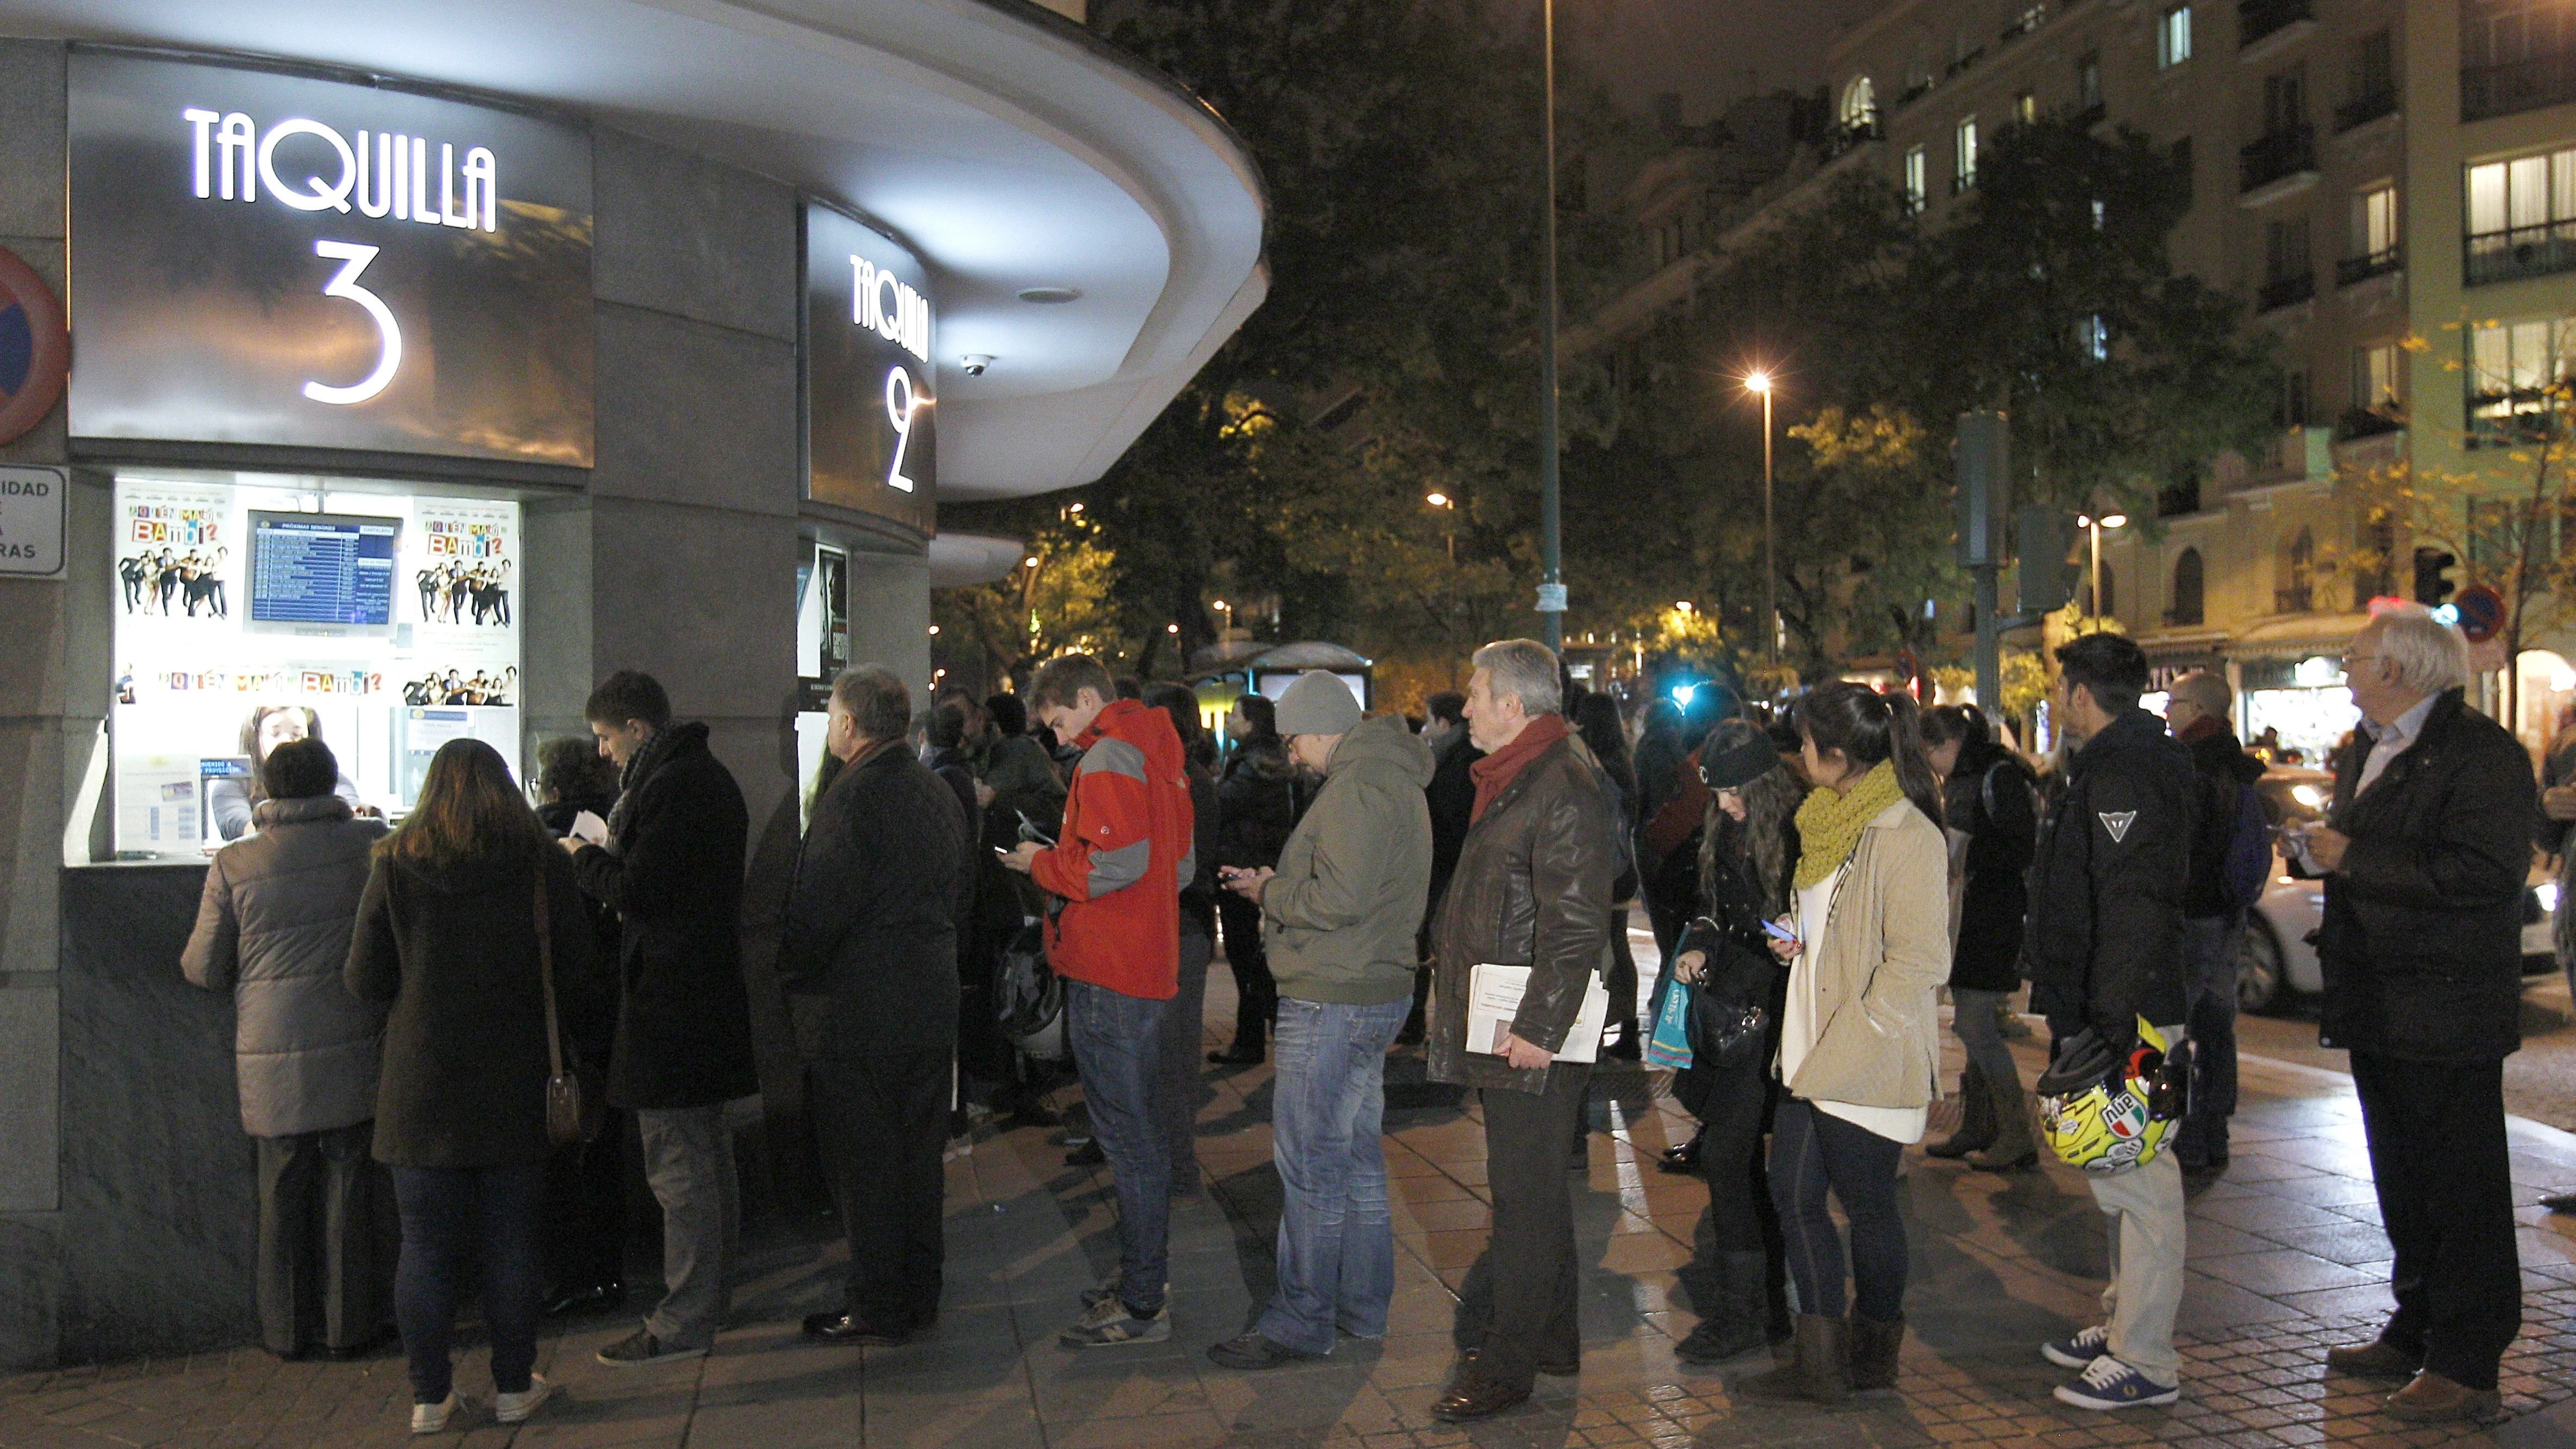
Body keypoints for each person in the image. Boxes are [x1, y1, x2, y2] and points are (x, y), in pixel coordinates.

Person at [2298, 604, 2531, 1425]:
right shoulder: (2372, 745)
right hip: (2380, 999)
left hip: (2447, 1006)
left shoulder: (2481, 756)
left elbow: (2485, 874)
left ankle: (2468, 1359)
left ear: (2397, 671)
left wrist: (2355, 857)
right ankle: (2417, 1321)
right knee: (2403, 1174)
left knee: (2460, 1184)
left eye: (2356, 657)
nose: (2347, 667)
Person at [345, 738, 599, 1434]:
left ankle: (431, 1398)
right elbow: (578, 970)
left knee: (424, 1246)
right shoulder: (542, 862)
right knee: (512, 1242)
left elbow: (363, 977)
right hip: (517, 1081)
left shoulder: (395, 863)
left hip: (420, 1088)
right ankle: (516, 1385)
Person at [1206, 672, 1434, 1370]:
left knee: (1311, 1165)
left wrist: (1272, 888)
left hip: (1335, 994)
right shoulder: (1386, 777)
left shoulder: (1360, 785)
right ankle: (1362, 1306)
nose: (1295, 754)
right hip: (1369, 985)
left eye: (1298, 738)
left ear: (1327, 727)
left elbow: (1338, 898)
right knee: (1356, 1159)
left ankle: (1302, 1318)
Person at [1733, 683, 1947, 1407]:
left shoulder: (1905, 832)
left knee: (1868, 1206)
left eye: (1803, 743)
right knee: (1793, 1196)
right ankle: (1821, 1364)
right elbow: (1834, 924)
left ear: (1836, 752)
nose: (1796, 755)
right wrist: (1801, 939)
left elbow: (1919, 960)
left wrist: (1861, 1032)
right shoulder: (1824, 818)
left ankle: (1874, 1351)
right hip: (1807, 1047)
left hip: (1861, 1053)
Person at [1423, 640, 1617, 1422]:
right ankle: (1553, 1338)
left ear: (1514, 702)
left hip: (1528, 1024)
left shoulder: (1557, 781)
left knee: (1522, 1199)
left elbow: (1575, 924)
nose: (1464, 705)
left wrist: (1537, 1026)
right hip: (1511, 1013)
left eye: (1475, 692)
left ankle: (1508, 1368)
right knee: (1535, 1192)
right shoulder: (1524, 775)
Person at [562, 671, 761, 1368]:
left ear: (637, 729)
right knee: (706, 1156)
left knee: (680, 1167)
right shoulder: (696, 778)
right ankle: (707, 1297)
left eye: (607, 737)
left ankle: (684, 1316)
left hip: (672, 1007)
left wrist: (584, 858)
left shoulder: (676, 787)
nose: (605, 753)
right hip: (695, 1000)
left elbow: (643, 892)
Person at [999, 653, 1195, 1347]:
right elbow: (1178, 865)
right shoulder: (1159, 748)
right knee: (1140, 1135)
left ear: (1086, 698)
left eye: (1056, 720)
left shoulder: (1110, 754)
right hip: (1145, 963)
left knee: (1128, 1141)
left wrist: (1041, 864)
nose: (1056, 738)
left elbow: (1116, 863)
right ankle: (1144, 1279)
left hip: (1109, 969)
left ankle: (1142, 1300)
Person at [2024, 633, 2196, 1411]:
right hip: (2114, 1001)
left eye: (2064, 691)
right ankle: (2125, 1318)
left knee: (2145, 1178)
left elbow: (2131, 901)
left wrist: (2116, 1016)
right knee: (2117, 1172)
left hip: (2133, 1010)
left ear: (2082, 694)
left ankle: (2149, 1356)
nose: (2061, 703)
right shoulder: (2113, 764)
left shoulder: (2125, 770)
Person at [183, 737, 390, 1361]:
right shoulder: (372, 845)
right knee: (351, 1184)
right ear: (333, 783)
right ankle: (348, 1325)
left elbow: (204, 967)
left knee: (280, 1189)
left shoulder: (237, 863)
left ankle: (284, 1331)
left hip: (272, 1051)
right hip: (357, 1038)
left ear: (266, 789)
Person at [782, 666, 967, 1347]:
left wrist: (794, 973)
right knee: (918, 1155)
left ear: (850, 724)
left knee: (865, 1164)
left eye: (832, 714)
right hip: (927, 996)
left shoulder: (851, 797)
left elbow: (818, 911)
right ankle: (920, 1289)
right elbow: (960, 893)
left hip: (861, 1009)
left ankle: (878, 1300)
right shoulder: (934, 789)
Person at [1663, 720, 1800, 1365]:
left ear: (1766, 786)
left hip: (1776, 1010)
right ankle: (1763, 1303)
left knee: (1730, 1156)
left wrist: (1788, 940)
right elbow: (1711, 906)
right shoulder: (1725, 831)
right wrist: (1696, 941)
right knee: (1733, 1156)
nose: (1724, 805)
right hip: (1733, 1008)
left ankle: (1751, 1310)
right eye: (1717, 794)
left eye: (1735, 793)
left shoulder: (1798, 830)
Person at [530, 737, 629, 1319]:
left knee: (559, 1150)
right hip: (609, 1007)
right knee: (603, 1145)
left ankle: (571, 1273)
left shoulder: (539, 839)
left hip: (557, 1017)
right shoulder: (615, 823)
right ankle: (606, 1270)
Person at [1919, 704, 2040, 1171]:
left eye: (1930, 753)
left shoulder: (1994, 775)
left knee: (1975, 1025)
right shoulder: (1976, 774)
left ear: (1948, 744)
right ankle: (1979, 1125)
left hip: (1991, 916)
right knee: (1973, 1026)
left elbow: (2018, 847)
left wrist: (1969, 857)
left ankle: (2015, 1135)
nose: (1930, 766)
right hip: (1976, 915)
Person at [2165, 671, 2266, 1175]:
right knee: (2218, 1025)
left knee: (2172, 1026)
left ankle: (2180, 1127)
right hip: (2228, 911)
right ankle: (2216, 1126)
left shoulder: (2189, 766)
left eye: (2173, 701)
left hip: (2191, 913)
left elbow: (2180, 849)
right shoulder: (2239, 764)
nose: (2166, 710)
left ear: (2197, 710)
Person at [1142, 682, 1221, 1191]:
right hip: (1181, 923)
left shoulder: (1185, 781)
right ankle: (1174, 1159)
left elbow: (1187, 865)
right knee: (1171, 1047)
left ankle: (1178, 1165)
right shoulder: (1187, 777)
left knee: (1171, 1050)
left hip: (1181, 925)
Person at [1212, 692, 1299, 1064]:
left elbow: (1222, 805)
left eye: (1234, 715)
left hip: (1242, 871)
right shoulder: (1276, 762)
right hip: (1269, 865)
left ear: (1250, 724)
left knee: (1245, 956)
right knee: (1257, 954)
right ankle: (1256, 1033)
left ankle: (1253, 1036)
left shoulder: (1249, 766)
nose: (1230, 721)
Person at [1400, 689, 1482, 1045]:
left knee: (1438, 952)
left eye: (1429, 720)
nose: (1424, 730)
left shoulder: (1455, 761)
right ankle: (1422, 1024)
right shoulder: (1457, 757)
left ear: (1444, 724)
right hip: (1448, 873)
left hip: (1446, 874)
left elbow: (1449, 822)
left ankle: (1443, 1031)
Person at [1574, 692, 1644, 1058]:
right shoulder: (1623, 759)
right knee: (1619, 945)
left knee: (1600, 950)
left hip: (1599, 869)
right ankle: (1628, 1026)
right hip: (1623, 866)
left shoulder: (1592, 762)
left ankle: (1598, 1028)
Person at [209, 705, 369, 841]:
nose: (286, 741)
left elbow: (353, 822)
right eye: (275, 733)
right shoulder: (231, 787)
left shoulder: (338, 781)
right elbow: (243, 829)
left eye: (297, 735)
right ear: (255, 738)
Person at [978, 690, 1067, 850]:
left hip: (1022, 847)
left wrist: (998, 799)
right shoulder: (1023, 747)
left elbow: (989, 796)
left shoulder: (1015, 750)